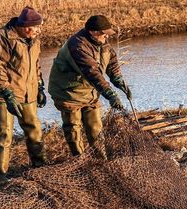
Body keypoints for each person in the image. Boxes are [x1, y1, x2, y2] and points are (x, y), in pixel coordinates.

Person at [47, 14, 131, 156]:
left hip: (89, 91)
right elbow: (92, 72)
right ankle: (80, 159)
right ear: (93, 32)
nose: (107, 37)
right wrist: (110, 94)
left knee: (95, 127)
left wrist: (118, 80)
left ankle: (100, 159)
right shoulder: (77, 45)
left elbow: (111, 61)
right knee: (73, 129)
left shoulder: (101, 42)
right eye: (104, 34)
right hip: (68, 92)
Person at [0, 6, 48, 174]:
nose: (39, 31)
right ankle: (0, 175)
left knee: (34, 130)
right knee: (4, 133)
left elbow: (36, 65)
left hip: (28, 94)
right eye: (37, 27)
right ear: (27, 27)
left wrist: (40, 87)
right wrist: (7, 94)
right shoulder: (1, 37)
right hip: (4, 96)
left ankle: (40, 167)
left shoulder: (34, 40)